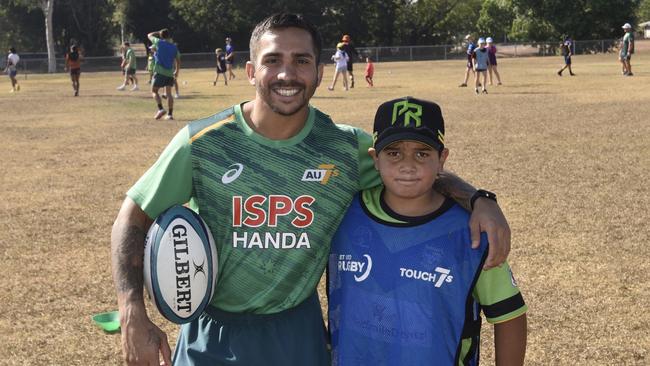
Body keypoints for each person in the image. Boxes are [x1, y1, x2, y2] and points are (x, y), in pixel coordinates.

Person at [111, 13, 511, 366]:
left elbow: (413, 171)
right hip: (212, 332)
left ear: (319, 72)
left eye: (301, 61)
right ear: (250, 71)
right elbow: (133, 214)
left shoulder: (344, 147)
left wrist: (479, 199)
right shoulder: (201, 143)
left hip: (296, 333)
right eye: (273, 61)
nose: (288, 74)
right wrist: (131, 309)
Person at [329, 96, 528, 366]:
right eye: (393, 152)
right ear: (375, 158)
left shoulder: (470, 232)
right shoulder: (344, 213)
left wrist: (483, 200)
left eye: (422, 153)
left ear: (442, 158)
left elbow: (509, 314)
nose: (407, 165)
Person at [147, 28, 180, 120]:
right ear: (169, 36)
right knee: (169, 94)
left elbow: (149, 34)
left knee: (154, 91)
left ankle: (161, 109)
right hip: (169, 73)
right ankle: (170, 114)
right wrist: (176, 71)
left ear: (161, 36)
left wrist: (157, 32)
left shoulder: (158, 42)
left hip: (159, 72)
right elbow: (178, 60)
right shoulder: (174, 47)